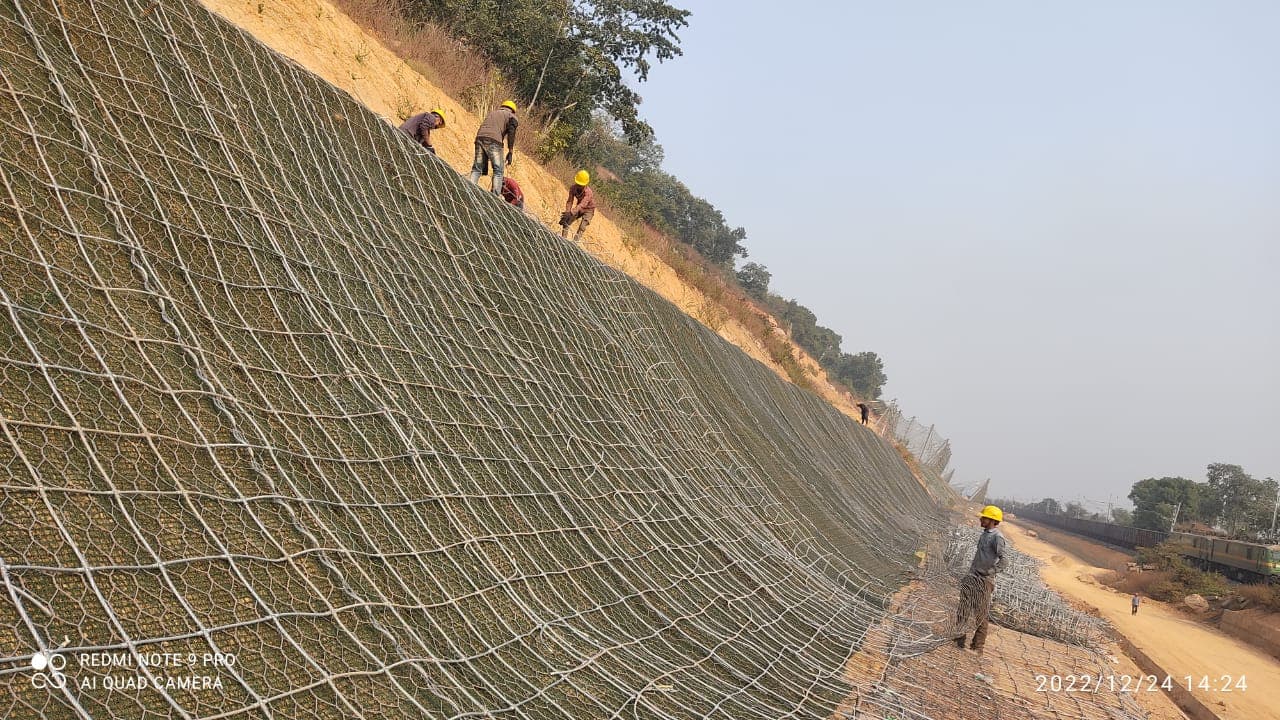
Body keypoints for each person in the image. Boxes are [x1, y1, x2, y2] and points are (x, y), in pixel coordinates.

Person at [954, 505, 1008, 655]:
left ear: (991, 520)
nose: (980, 519)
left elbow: (1004, 561)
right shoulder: (985, 534)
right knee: (963, 609)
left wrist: (990, 572)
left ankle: (977, 647)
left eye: (983, 517)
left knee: (980, 614)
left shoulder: (997, 538)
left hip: (984, 581)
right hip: (972, 576)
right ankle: (959, 639)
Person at [468, 100, 518, 195]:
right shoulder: (511, 116)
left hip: (479, 138)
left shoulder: (493, 113)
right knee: (498, 171)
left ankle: (469, 189)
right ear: (512, 110)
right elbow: (511, 133)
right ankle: (494, 197)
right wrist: (510, 151)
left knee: (477, 168)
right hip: (494, 141)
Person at [559, 170, 596, 240]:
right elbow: (570, 201)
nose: (579, 186)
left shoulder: (588, 193)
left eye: (581, 185)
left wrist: (571, 212)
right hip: (579, 208)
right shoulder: (573, 188)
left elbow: (583, 204)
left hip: (589, 210)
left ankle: (574, 244)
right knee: (567, 221)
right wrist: (567, 212)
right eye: (578, 184)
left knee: (582, 227)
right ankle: (563, 240)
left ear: (585, 184)